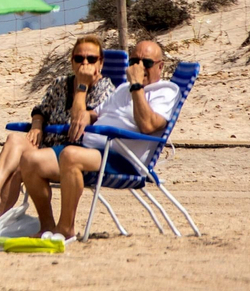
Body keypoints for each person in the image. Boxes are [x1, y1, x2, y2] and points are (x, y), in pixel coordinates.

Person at [19, 38, 181, 241]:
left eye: (146, 63)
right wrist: (87, 115)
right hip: (92, 150)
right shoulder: (123, 89)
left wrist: (137, 85)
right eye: (134, 62)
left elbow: (148, 125)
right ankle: (46, 226)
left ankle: (65, 228)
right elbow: (95, 113)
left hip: (123, 158)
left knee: (70, 155)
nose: (139, 68)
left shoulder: (165, 90)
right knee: (29, 160)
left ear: (160, 66)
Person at [0, 34, 114, 216]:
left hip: (73, 153)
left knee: (21, 166)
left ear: (100, 63)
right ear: (72, 62)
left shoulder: (106, 89)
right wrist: (37, 124)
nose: (85, 63)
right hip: (47, 144)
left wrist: (82, 86)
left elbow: (79, 121)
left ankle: (8, 223)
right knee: (14, 139)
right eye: (79, 58)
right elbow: (41, 109)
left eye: (91, 59)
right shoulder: (60, 84)